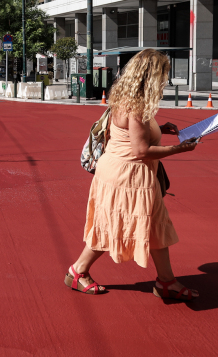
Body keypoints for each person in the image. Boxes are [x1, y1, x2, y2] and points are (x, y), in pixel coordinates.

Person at [65, 49, 200, 300]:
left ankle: (166, 281)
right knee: (113, 226)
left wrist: (160, 129)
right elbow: (140, 150)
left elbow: (130, 133)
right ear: (151, 76)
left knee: (154, 226)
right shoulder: (136, 106)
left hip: (129, 175)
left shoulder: (127, 97)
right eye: (163, 75)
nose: (165, 80)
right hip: (126, 177)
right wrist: (180, 148)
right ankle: (77, 270)